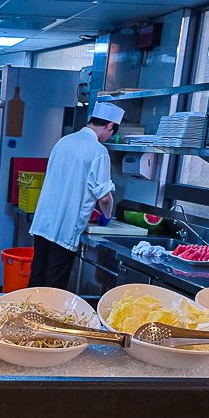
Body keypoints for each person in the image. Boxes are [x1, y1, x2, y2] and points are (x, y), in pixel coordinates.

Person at [28, 101, 124, 290]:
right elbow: (105, 198)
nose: (108, 138)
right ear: (110, 125)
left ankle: (24, 309)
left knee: (37, 279)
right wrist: (106, 216)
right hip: (64, 228)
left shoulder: (63, 141)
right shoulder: (98, 151)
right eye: (111, 133)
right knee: (54, 287)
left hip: (43, 223)